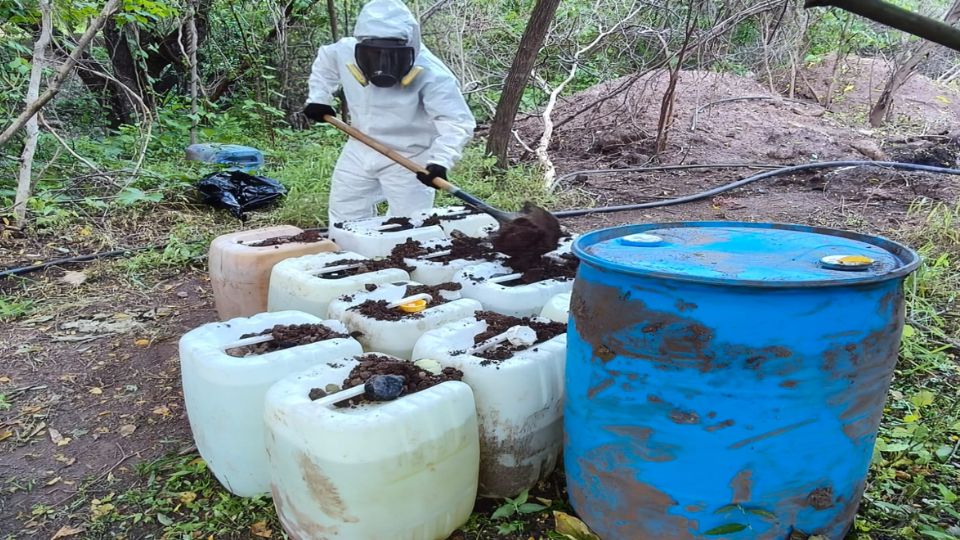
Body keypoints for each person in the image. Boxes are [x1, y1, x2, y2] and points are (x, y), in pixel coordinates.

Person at [303, 0, 476, 226]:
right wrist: (318, 97)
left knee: (409, 226)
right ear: (361, 47)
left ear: (408, 48)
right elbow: (325, 61)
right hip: (359, 147)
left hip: (410, 157)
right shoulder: (344, 51)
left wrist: (440, 161)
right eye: (374, 54)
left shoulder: (433, 73)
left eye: (391, 55)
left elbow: (456, 121)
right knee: (344, 216)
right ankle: (352, 257)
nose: (382, 63)